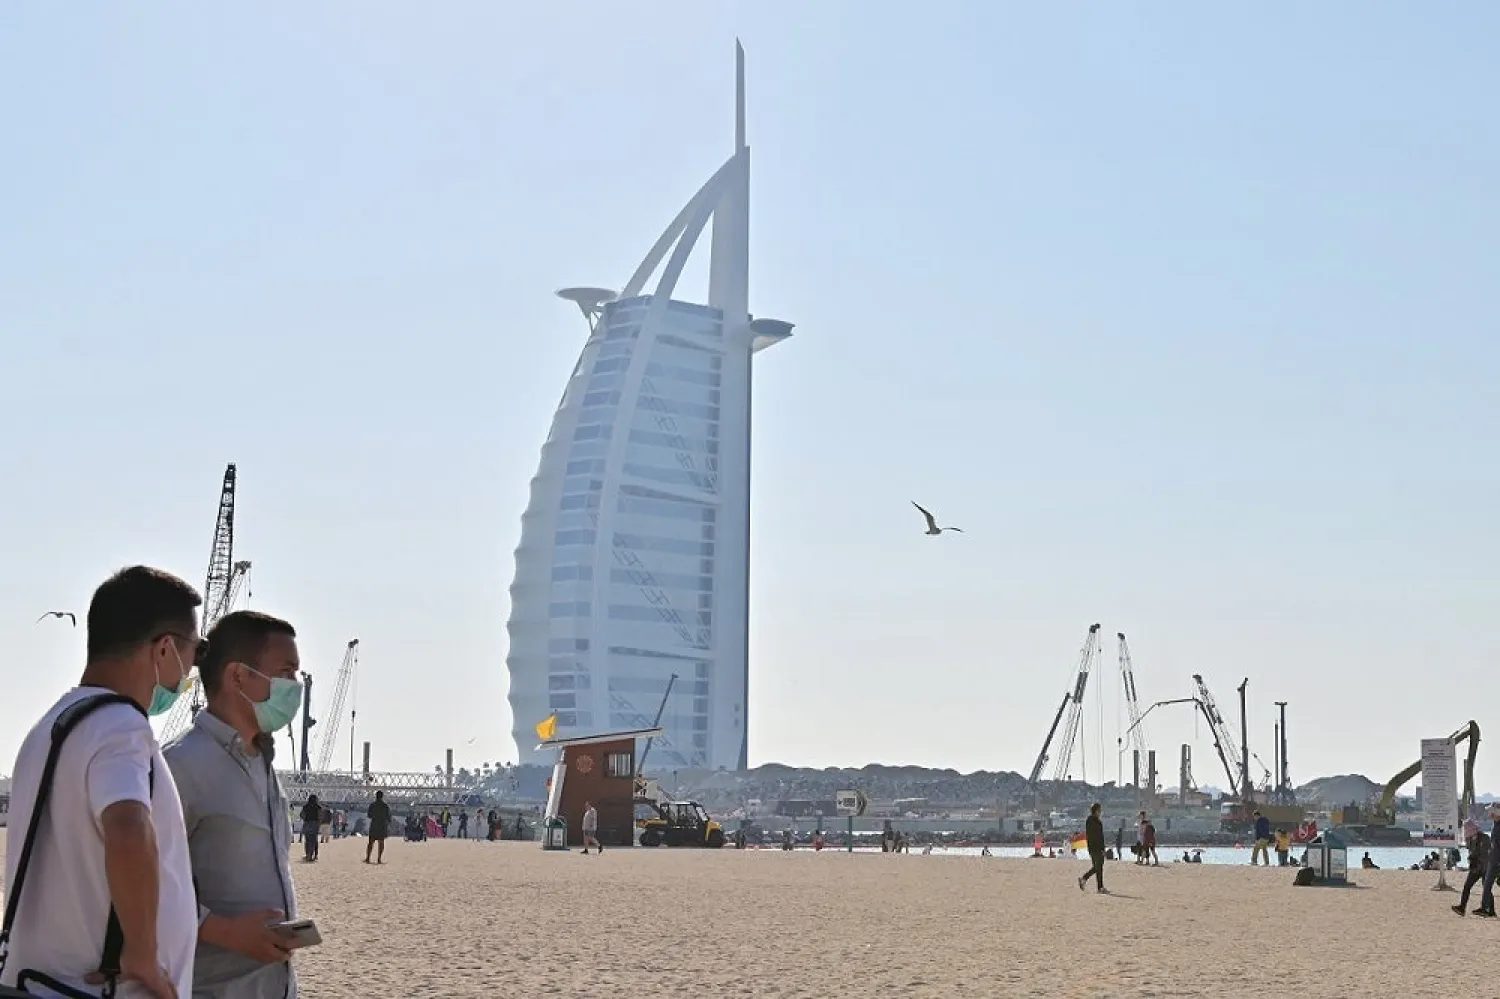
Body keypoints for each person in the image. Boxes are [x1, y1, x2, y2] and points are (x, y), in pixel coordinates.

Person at [1, 565, 203, 998]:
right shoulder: (121, 727)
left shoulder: (52, 726)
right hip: (99, 988)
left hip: (36, 982)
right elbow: (129, 829)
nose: (190, 670)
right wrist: (143, 955)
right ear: (165, 649)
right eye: (194, 652)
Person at [164, 610, 306, 998]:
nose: (295, 686)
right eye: (287, 672)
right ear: (239, 676)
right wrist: (226, 932)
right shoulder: (179, 766)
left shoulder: (263, 762)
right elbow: (141, 887)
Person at [1455, 821, 1491, 917]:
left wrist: (1476, 859)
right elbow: (1470, 850)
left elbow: (1486, 853)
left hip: (1484, 867)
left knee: (1486, 888)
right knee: (1467, 887)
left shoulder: (1485, 838)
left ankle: (1490, 910)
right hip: (1474, 867)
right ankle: (1462, 907)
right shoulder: (1469, 839)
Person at [1077, 803, 1108, 893]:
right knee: (1098, 867)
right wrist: (1102, 849)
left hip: (1092, 847)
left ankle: (1100, 887)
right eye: (1099, 810)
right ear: (1096, 810)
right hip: (1096, 847)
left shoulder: (1090, 820)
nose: (1101, 812)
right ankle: (1084, 878)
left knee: (1098, 867)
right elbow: (1098, 836)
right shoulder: (1095, 822)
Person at [365, 791, 391, 864]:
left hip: (374, 825)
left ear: (376, 796)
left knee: (371, 842)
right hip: (382, 825)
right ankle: (379, 859)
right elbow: (388, 816)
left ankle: (368, 858)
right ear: (382, 796)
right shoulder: (385, 805)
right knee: (381, 843)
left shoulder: (372, 805)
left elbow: (369, 815)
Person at [298, 796, 321, 862]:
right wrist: (319, 823)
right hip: (314, 824)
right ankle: (312, 855)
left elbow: (301, 815)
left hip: (307, 823)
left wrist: (305, 818)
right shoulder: (318, 807)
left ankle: (308, 854)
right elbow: (320, 816)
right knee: (313, 840)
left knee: (307, 840)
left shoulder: (305, 806)